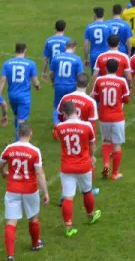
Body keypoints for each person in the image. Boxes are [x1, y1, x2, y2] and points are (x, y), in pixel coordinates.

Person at [0, 123, 49, 261]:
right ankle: (35, 243)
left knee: (11, 221)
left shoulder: (9, 148)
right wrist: (46, 192)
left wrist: (4, 173)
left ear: (18, 133)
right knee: (33, 217)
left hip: (12, 188)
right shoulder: (34, 151)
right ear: (30, 133)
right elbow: (39, 173)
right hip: (30, 189)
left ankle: (10, 255)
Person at [53, 101, 101, 238]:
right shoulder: (87, 126)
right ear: (76, 111)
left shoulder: (60, 127)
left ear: (64, 113)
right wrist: (91, 156)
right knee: (86, 191)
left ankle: (68, 227)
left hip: (67, 165)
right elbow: (91, 144)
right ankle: (91, 215)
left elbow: (55, 136)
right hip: (83, 164)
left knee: (68, 197)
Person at [56, 72, 101, 203]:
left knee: (67, 162)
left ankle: (64, 194)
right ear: (87, 85)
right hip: (83, 135)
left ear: (76, 83)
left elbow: (59, 115)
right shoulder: (90, 101)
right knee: (87, 161)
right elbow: (92, 124)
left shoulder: (66, 98)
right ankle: (88, 189)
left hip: (68, 134)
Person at [91, 59, 130, 180]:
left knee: (106, 141)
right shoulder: (122, 81)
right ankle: (115, 173)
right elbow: (127, 99)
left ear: (106, 68)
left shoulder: (99, 80)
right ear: (118, 69)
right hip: (117, 117)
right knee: (117, 144)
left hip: (104, 116)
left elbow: (95, 96)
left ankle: (106, 164)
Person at [0, 43, 40, 140]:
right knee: (22, 122)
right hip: (24, 97)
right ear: (25, 50)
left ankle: (17, 135)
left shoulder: (7, 63)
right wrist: (37, 86)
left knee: (17, 116)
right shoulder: (30, 64)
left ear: (15, 51)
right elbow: (35, 82)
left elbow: (2, 80)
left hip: (12, 96)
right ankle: (18, 144)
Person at [50, 40, 84, 125]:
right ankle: (69, 125)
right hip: (71, 86)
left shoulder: (56, 57)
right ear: (74, 48)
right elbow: (80, 75)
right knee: (71, 106)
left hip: (59, 85)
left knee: (57, 106)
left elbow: (51, 73)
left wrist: (53, 82)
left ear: (65, 47)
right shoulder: (77, 59)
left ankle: (57, 126)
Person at [84, 7, 111, 73]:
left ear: (95, 15)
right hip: (106, 55)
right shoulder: (108, 27)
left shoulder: (89, 27)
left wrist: (86, 58)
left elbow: (86, 45)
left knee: (94, 77)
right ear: (103, 15)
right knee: (105, 76)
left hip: (94, 55)